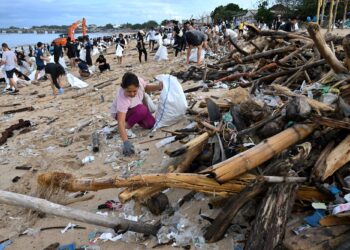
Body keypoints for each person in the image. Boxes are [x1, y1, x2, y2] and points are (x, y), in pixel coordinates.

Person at [111, 72, 163, 156]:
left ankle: (137, 117)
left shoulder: (140, 83)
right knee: (141, 110)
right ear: (123, 88)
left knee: (151, 124)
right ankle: (127, 125)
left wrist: (159, 87)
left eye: (134, 91)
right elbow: (120, 121)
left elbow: (146, 88)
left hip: (136, 109)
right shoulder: (122, 98)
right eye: (129, 91)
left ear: (138, 87)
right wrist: (126, 142)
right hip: (122, 114)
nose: (132, 94)